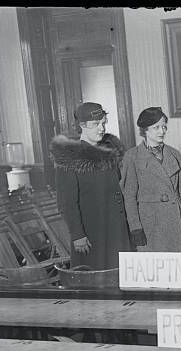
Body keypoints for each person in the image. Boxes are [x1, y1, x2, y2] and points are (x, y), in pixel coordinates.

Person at [50, 102, 133, 270]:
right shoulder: (70, 157)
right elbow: (66, 203)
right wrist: (78, 235)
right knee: (95, 279)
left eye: (103, 123)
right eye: (96, 124)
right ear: (82, 126)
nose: (101, 128)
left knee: (120, 277)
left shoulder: (109, 153)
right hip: (91, 232)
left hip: (116, 228)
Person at [120, 107, 181, 252]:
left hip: (178, 220)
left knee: (180, 269)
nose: (162, 131)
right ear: (144, 130)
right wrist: (135, 227)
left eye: (164, 127)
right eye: (156, 127)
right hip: (150, 224)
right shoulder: (132, 157)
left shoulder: (174, 154)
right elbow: (129, 197)